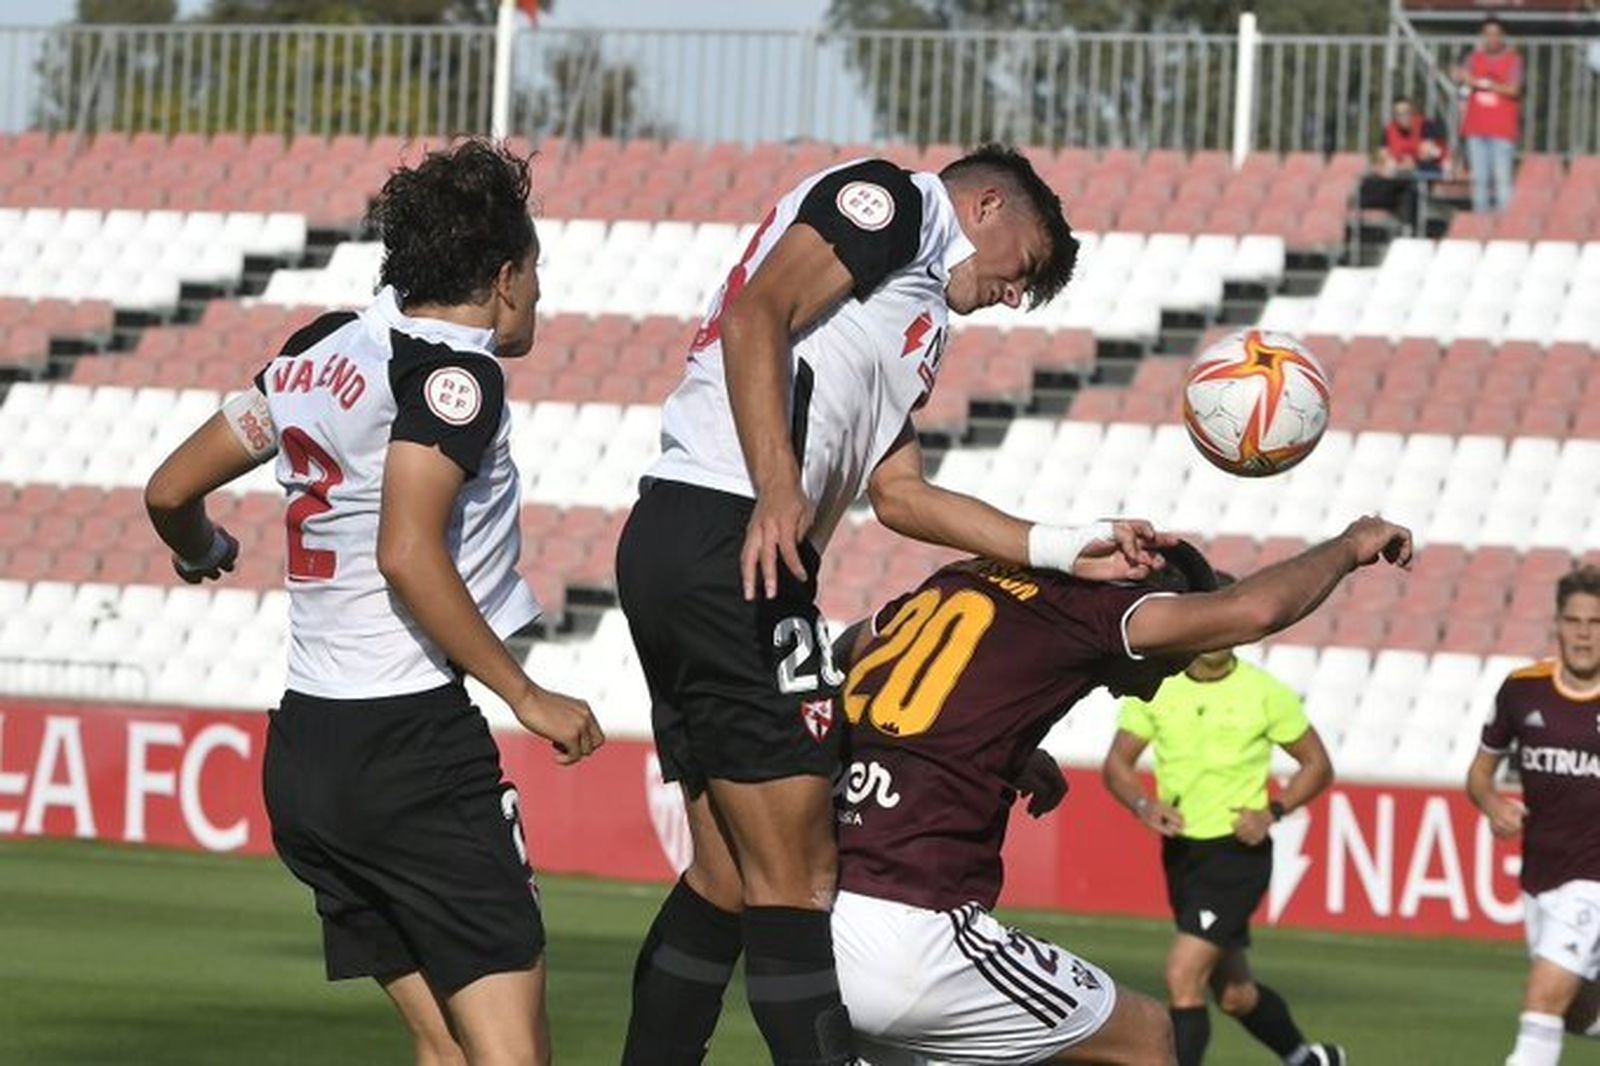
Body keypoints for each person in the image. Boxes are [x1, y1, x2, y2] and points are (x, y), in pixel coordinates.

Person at [615, 143, 1169, 1066]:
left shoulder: (906, 316)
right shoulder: (895, 203)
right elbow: (758, 316)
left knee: (724, 875)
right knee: (801, 880)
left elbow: (903, 497)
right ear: (988, 205)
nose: (1015, 294)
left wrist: (1068, 544)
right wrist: (778, 487)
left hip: (691, 539)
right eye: (1023, 267)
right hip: (733, 532)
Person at [144, 139, 603, 1066]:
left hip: (308, 752)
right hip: (411, 753)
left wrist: (205, 549)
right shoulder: (457, 376)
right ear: (507, 275)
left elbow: (167, 491)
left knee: (445, 1050)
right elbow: (406, 552)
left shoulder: (315, 351)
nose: (540, 299)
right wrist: (528, 695)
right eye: (537, 276)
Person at [828, 517, 1413, 1065]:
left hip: (818, 916)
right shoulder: (1097, 608)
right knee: (1146, 1037)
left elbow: (849, 655)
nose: (1154, 689)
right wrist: (1349, 546)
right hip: (915, 932)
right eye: (1167, 662)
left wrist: (1001, 748)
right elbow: (1256, 610)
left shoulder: (969, 575)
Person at [1103, 571, 1343, 1066]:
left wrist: (1272, 811)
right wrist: (1145, 806)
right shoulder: (1160, 688)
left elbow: (1317, 765)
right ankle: (1308, 1058)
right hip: (1184, 853)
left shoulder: (1264, 692)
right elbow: (1117, 767)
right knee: (1235, 994)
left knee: (1182, 977)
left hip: (1237, 853)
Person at [1468, 565, 1600, 1066]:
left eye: (1596, 622)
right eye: (1574, 621)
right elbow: (1479, 775)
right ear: (1558, 624)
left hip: (1594, 877)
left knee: (1541, 1002)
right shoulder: (1522, 689)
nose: (1584, 634)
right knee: (1573, 1012)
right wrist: (1492, 803)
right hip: (1540, 875)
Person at [1454, 16, 1523, 214]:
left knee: (1502, 180)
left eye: (1496, 34)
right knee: (1480, 181)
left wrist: (1487, 84)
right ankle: (1480, 228)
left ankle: (1505, 230)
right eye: (1487, 34)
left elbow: (1514, 89)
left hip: (1502, 130)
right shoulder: (1472, 59)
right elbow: (1464, 81)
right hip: (1476, 128)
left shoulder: (1513, 60)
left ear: (1503, 36)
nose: (1491, 38)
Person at [1357, 96, 1449, 231]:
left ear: (1413, 112)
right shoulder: (1389, 130)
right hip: (1399, 174)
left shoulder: (1426, 126)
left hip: (1425, 173)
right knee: (1368, 187)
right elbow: (1383, 156)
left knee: (1411, 190)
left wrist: (1407, 163)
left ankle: (1413, 229)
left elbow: (1426, 154)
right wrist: (1384, 164)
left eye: (1406, 113)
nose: (1402, 117)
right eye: (1398, 114)